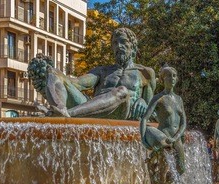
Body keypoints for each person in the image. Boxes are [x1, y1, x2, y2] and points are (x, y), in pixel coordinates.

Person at [28, 27, 156, 120]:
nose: (119, 46)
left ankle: (66, 114)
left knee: (122, 91)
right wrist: (53, 73)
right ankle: (59, 109)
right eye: (115, 43)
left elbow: (150, 111)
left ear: (133, 47)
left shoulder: (145, 73)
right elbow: (77, 83)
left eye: (123, 42)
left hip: (122, 112)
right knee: (54, 73)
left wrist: (144, 102)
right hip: (92, 111)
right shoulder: (102, 71)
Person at [140, 65, 186, 184]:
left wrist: (177, 137)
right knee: (162, 167)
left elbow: (183, 123)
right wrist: (143, 139)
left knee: (181, 169)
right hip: (163, 137)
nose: (172, 78)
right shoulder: (158, 98)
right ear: (162, 79)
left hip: (176, 138)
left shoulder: (179, 99)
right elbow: (145, 119)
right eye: (168, 75)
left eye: (174, 75)